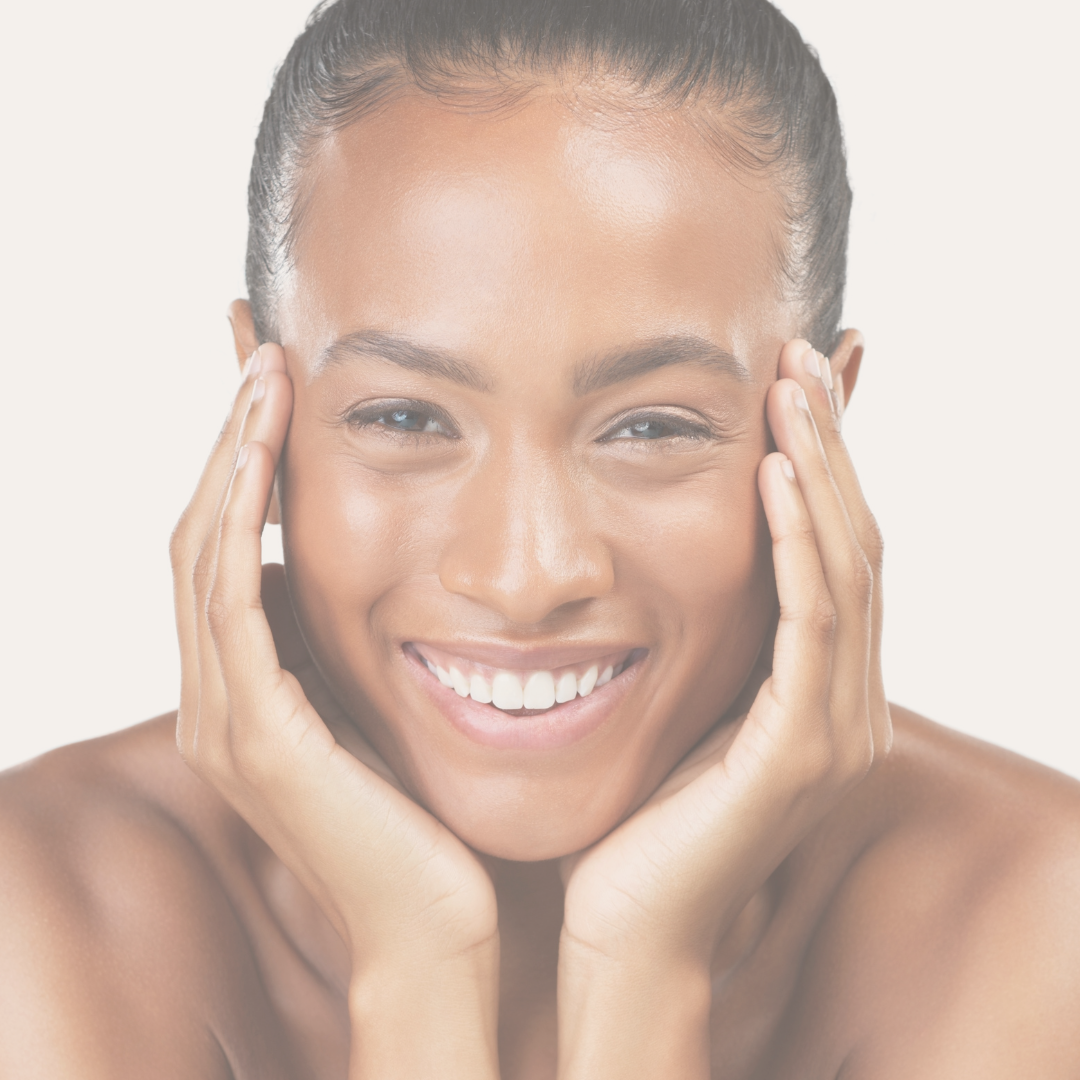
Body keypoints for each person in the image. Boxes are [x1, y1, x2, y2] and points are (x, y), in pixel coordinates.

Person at [2, 0, 1079, 1076]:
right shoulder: (46, 907)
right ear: (262, 420)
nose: (526, 576)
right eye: (406, 419)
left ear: (822, 433)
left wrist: (640, 970)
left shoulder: (1033, 914)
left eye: (651, 427)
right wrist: (414, 958)